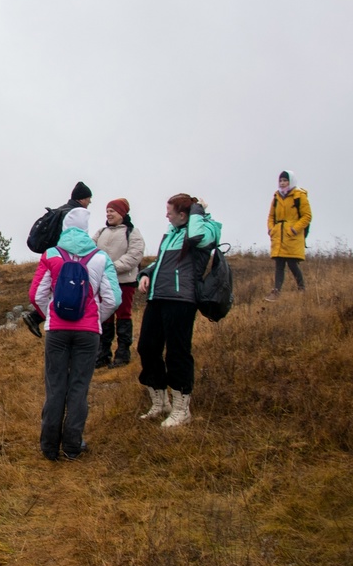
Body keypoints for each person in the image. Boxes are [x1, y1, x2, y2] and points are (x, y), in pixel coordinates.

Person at [28, 207, 120, 460]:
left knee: (55, 387)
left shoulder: (51, 255)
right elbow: (113, 299)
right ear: (85, 230)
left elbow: (36, 295)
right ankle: (72, 445)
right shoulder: (100, 257)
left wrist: (50, 316)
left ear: (64, 228)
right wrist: (95, 319)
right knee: (79, 387)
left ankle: (49, 447)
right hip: (88, 333)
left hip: (57, 331)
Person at [136, 193, 221, 428]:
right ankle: (161, 403)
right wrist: (146, 274)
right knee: (147, 348)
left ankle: (182, 409)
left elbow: (196, 237)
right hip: (158, 297)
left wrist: (196, 212)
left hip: (182, 300)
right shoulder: (172, 232)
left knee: (177, 353)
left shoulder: (207, 229)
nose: (166, 215)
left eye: (170, 211)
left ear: (184, 214)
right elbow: (161, 262)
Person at [23, 181, 94, 338]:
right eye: (89, 198)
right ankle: (53, 321)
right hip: (65, 259)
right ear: (82, 199)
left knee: (54, 290)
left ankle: (37, 317)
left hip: (53, 256)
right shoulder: (74, 213)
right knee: (65, 291)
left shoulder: (61, 210)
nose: (90, 202)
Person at [94, 198, 146, 368]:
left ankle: (123, 353)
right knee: (105, 318)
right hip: (103, 282)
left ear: (122, 213)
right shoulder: (101, 232)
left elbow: (134, 256)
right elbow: (90, 249)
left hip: (124, 282)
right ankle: (103, 354)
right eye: (107, 211)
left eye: (112, 211)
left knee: (123, 317)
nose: (108, 214)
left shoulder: (132, 232)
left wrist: (109, 268)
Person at [265, 170, 312, 301]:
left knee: (292, 263)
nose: (283, 183)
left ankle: (302, 289)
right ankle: (276, 292)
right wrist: (271, 229)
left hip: (292, 236)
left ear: (291, 181)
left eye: (285, 180)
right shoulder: (276, 196)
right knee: (279, 264)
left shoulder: (299, 195)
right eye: (281, 181)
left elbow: (307, 216)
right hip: (279, 235)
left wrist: (295, 229)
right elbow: (271, 216)